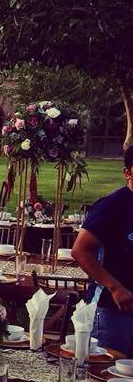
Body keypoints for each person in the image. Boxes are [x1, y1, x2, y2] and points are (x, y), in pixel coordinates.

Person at [71, 145, 133, 356]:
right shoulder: (112, 206)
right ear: (127, 172)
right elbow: (80, 251)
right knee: (104, 378)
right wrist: (114, 287)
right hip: (111, 310)